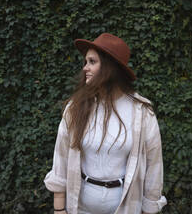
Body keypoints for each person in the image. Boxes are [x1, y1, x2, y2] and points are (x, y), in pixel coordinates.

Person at [44, 33, 167, 214]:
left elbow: (154, 167)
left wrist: (148, 210)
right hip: (80, 209)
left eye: (92, 62)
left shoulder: (141, 113)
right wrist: (59, 209)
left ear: (110, 67)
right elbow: (61, 158)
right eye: (85, 62)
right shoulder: (76, 108)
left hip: (125, 209)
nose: (85, 68)